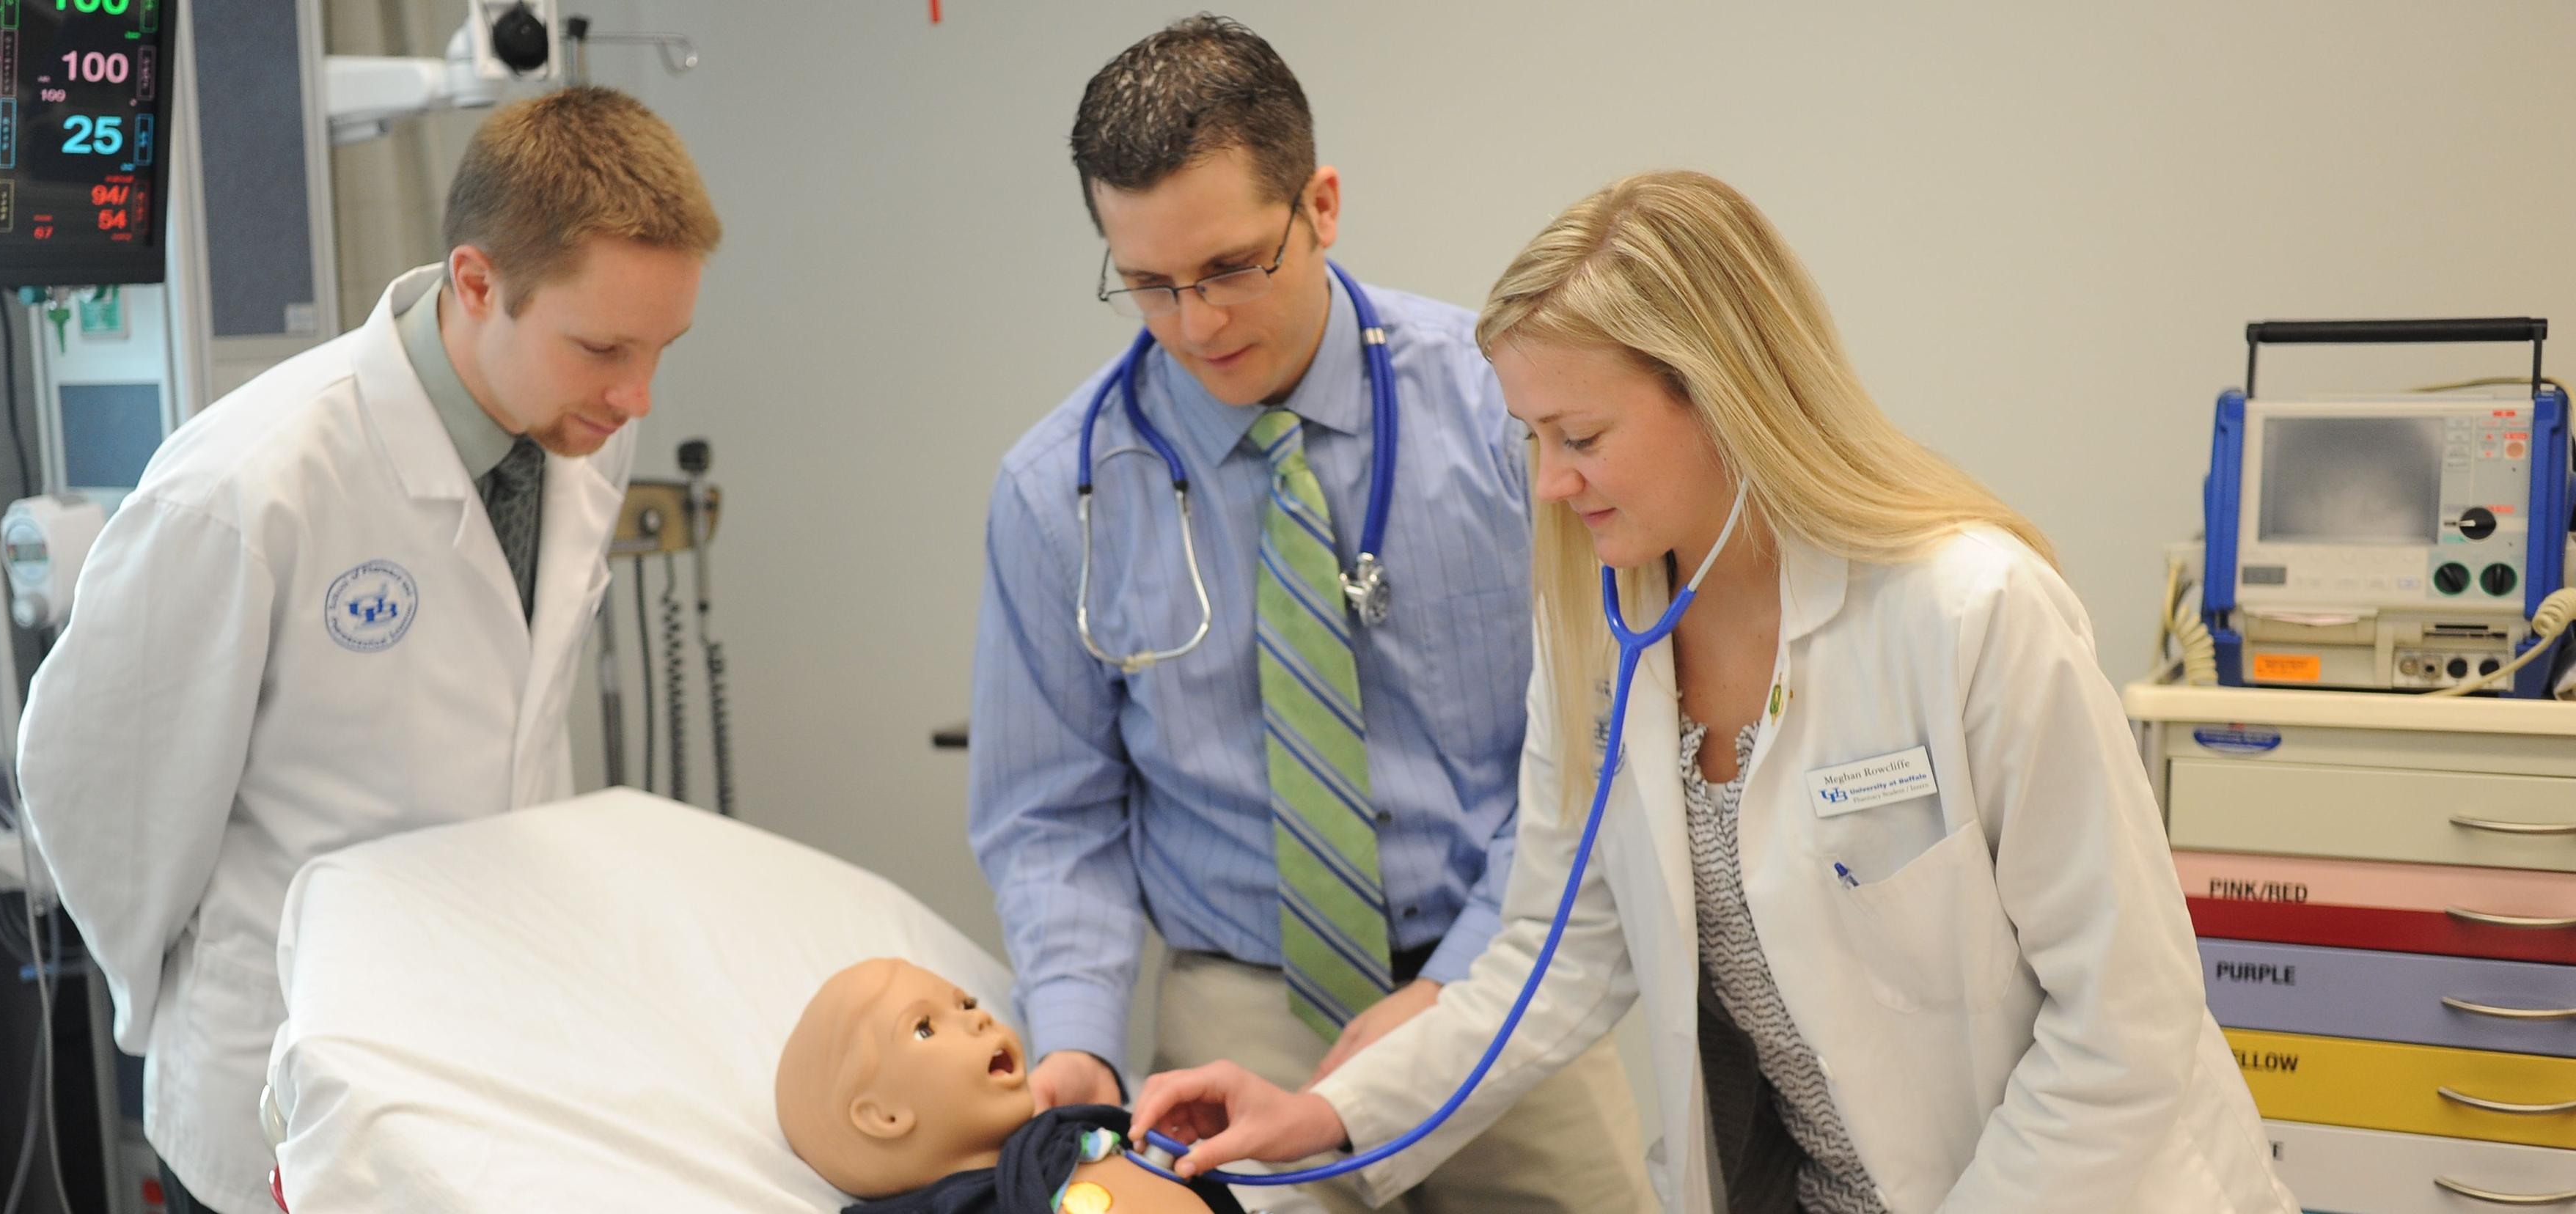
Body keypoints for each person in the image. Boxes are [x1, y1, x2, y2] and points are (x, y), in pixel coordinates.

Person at [1129, 171, 2299, 1214]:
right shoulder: (1604, 628)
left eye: (1579, 433)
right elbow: (1550, 954)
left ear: (1723, 395)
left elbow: (2124, 1028)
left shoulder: (1971, 612)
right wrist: (1330, 1118)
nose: (1547, 484)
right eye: (1529, 437)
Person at [969, 15, 1651, 1213]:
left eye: (1232, 266)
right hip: (1245, 1001)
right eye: (1148, 285)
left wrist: (1453, 991)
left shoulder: (1502, 413)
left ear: (1321, 205)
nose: (1197, 324)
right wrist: (1075, 1032)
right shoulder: (1055, 492)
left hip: (1495, 966)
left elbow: (1601, 735)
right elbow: (1049, 812)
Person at [17, 88, 719, 1214]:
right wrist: (183, 1002)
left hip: (489, 1051)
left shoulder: (585, 426)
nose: (636, 394)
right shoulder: (249, 482)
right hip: (283, 1074)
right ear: (477, 282)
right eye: (601, 347)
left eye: (659, 349)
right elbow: (92, 780)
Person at [775, 958, 1245, 1213]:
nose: (978, 1018)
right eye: (924, 1027)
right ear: (884, 1117)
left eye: (966, 1003)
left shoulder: (1071, 1137)